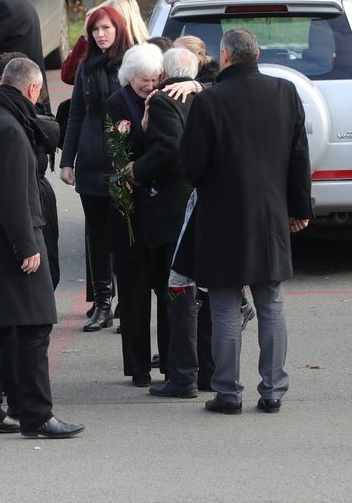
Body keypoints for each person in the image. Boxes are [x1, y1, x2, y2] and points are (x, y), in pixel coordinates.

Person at [174, 27, 311, 415]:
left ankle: (228, 392)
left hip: (222, 217)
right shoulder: (285, 94)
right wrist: (299, 209)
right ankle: (273, 390)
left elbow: (192, 166)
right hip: (270, 214)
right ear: (258, 54)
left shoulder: (210, 102)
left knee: (225, 306)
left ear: (226, 56)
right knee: (271, 303)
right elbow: (299, 156)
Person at [0, 57, 83, 439]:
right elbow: (13, 195)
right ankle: (36, 416)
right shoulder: (10, 129)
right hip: (11, 243)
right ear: (33, 89)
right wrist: (26, 246)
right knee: (35, 327)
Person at [133, 48, 209, 399]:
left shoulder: (163, 102)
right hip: (207, 205)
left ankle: (181, 374)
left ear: (163, 73)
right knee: (205, 292)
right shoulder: (208, 96)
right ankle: (207, 370)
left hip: (174, 208)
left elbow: (168, 151)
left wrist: (136, 170)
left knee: (177, 294)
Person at [59, 5, 134, 331]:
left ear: (118, 30)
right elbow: (75, 114)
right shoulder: (86, 68)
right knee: (97, 236)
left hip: (123, 162)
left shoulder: (131, 63)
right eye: (95, 30)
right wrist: (66, 160)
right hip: (90, 161)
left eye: (106, 29)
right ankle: (102, 302)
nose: (101, 35)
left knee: (125, 235)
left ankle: (128, 303)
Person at [105, 43, 165, 386]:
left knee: (164, 286)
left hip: (157, 205)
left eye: (156, 77)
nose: (151, 84)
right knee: (133, 293)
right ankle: (138, 367)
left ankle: (169, 359)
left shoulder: (163, 96)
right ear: (130, 77)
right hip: (129, 205)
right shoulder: (117, 103)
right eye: (145, 79)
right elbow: (118, 150)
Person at [0, 52, 61, 290]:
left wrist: (26, 246)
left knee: (43, 273)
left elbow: (15, 194)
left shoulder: (20, 122)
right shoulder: (5, 117)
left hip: (36, 202)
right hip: (34, 202)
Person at [60, 0, 150, 86]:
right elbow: (69, 76)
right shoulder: (101, 47)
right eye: (94, 27)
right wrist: (87, 37)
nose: (100, 34)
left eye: (106, 26)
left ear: (122, 23)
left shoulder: (144, 55)